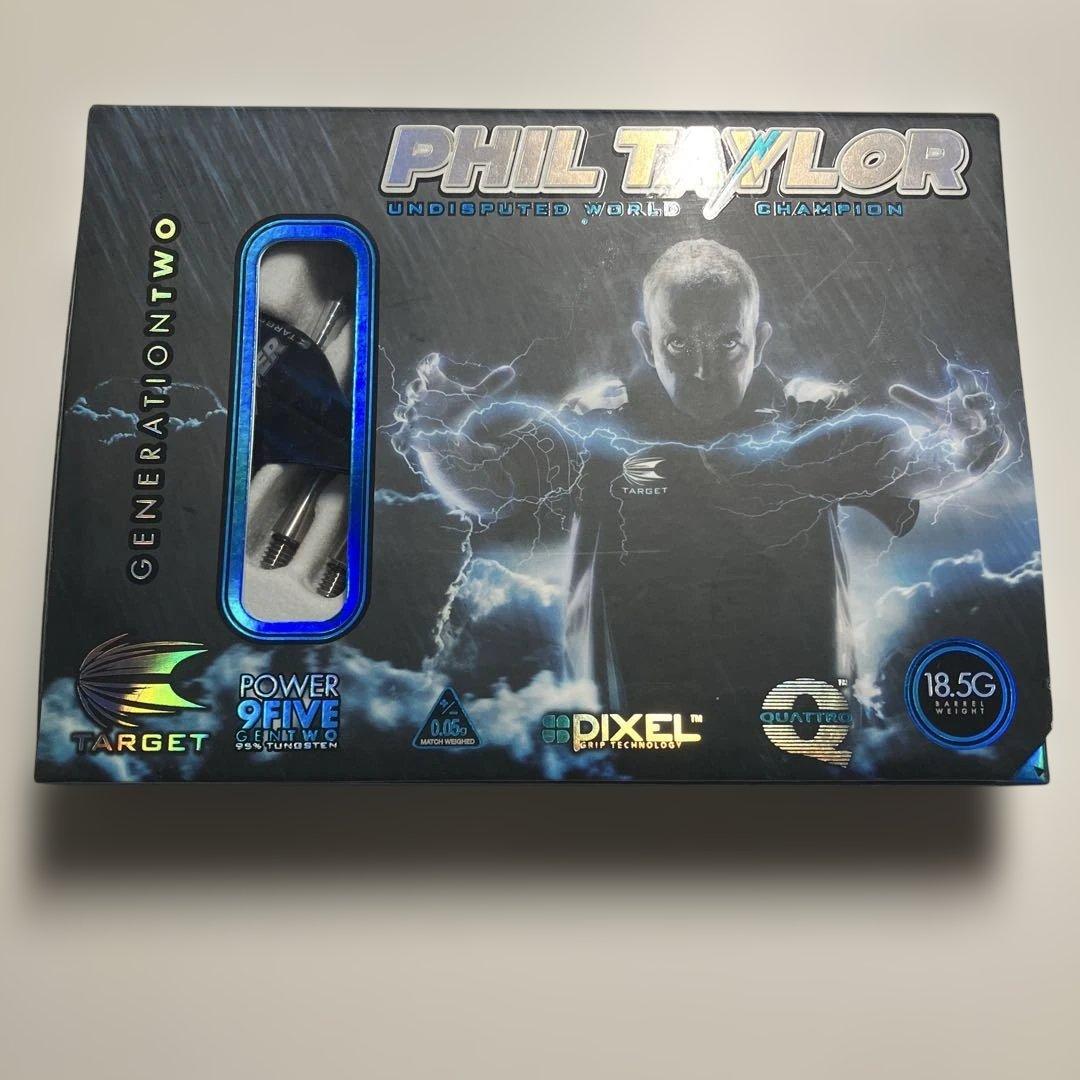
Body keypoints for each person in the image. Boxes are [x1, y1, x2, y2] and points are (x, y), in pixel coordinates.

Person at [394, 239, 1007, 775]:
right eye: (678, 343)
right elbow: (487, 487)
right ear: (646, 341)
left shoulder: (811, 424)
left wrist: (973, 446)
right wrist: (433, 438)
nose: (703, 369)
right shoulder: (597, 427)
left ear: (760, 340)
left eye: (727, 342)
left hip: (796, 745)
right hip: (634, 743)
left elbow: (923, 466)